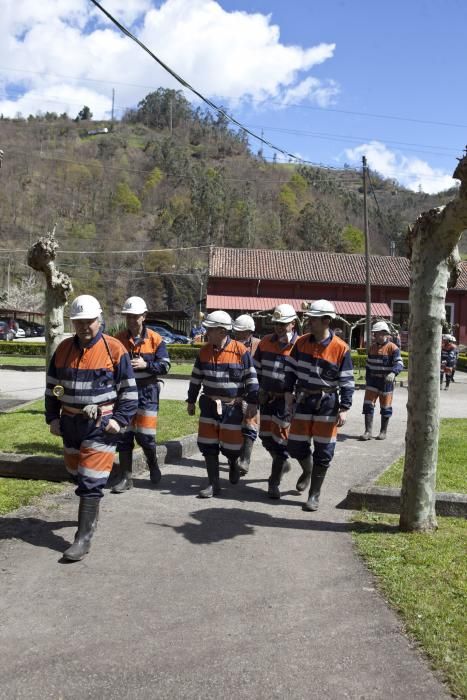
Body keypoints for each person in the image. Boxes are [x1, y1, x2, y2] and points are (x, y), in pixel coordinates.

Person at [45, 295, 138, 561]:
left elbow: (129, 393)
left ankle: (82, 539)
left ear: (99, 320)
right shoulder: (62, 349)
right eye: (78, 322)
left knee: (90, 481)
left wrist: (118, 421)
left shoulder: (114, 350)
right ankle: (91, 512)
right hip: (70, 423)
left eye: (89, 321)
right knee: (75, 473)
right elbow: (55, 386)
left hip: (100, 424)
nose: (84, 326)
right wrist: (53, 416)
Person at [284, 299, 354, 512]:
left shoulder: (341, 348)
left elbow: (347, 380)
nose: (309, 322)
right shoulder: (301, 342)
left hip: (327, 403)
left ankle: (314, 494)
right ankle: (308, 469)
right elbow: (290, 370)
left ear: (326, 321)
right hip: (303, 400)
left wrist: (344, 407)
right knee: (295, 445)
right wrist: (288, 392)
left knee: (323, 451)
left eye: (313, 319)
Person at [186, 310, 259, 498]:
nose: (206, 333)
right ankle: (213, 484)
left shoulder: (241, 351)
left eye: (209, 329)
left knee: (232, 447)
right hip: (209, 405)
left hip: (232, 407)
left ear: (221, 331)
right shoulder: (204, 352)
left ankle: (234, 463)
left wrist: (252, 402)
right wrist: (191, 400)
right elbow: (196, 379)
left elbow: (251, 379)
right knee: (208, 445)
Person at [112, 296, 171, 492]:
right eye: (128, 317)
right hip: (124, 393)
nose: (130, 320)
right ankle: (126, 478)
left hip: (148, 391)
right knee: (124, 435)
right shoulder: (118, 339)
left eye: (134, 317)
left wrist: (147, 365)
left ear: (144, 316)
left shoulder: (155, 339)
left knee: (146, 436)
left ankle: (152, 464)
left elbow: (165, 366)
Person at [253, 304, 299, 498]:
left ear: (293, 324)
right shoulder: (265, 342)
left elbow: (302, 373)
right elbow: (255, 370)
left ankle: (274, 483)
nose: (279, 327)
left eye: (283, 324)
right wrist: (257, 390)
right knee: (265, 436)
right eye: (277, 324)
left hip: (286, 401)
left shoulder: (300, 345)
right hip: (267, 398)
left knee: (280, 441)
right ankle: (282, 462)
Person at [360, 321, 404, 441]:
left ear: (384, 333)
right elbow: (368, 365)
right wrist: (367, 379)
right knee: (368, 405)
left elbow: (399, 363)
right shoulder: (372, 347)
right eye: (374, 333)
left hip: (386, 383)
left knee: (385, 407)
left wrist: (393, 372)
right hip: (372, 381)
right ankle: (368, 431)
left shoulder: (393, 348)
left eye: (377, 333)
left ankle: (383, 432)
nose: (374, 336)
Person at [232, 314, 261, 475]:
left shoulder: (259, 345)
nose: (237, 334)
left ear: (250, 331)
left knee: (250, 422)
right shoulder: (230, 345)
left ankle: (245, 459)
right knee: (234, 424)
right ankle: (234, 456)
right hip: (234, 390)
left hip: (252, 390)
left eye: (241, 331)